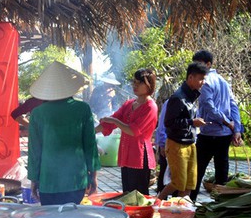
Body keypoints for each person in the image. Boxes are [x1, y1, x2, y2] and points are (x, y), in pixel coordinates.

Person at [27, 61, 100, 205]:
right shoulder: (82, 109)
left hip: (48, 181)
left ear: (47, 89)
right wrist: (94, 176)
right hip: (76, 181)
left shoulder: (37, 113)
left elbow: (34, 151)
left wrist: (34, 179)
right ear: (70, 87)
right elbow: (90, 146)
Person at [190, 50, 244, 200]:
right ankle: (220, 205)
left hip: (210, 134)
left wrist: (229, 124)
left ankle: (190, 202)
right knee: (222, 172)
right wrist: (236, 129)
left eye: (199, 64)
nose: (196, 68)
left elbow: (209, 107)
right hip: (224, 134)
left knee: (197, 170)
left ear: (208, 64)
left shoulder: (206, 81)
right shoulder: (223, 81)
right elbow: (234, 106)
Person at [96, 68, 158, 195]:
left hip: (140, 156)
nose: (135, 86)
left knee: (138, 196)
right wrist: (90, 132)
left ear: (149, 85)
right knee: (127, 193)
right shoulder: (129, 103)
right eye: (134, 82)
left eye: (139, 83)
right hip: (127, 154)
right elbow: (110, 121)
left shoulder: (150, 107)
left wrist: (115, 122)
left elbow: (134, 131)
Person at [158, 63, 208, 200]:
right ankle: (157, 202)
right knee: (178, 182)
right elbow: (169, 123)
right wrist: (192, 122)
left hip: (190, 143)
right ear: (190, 77)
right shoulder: (178, 97)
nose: (203, 82)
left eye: (204, 79)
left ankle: (180, 214)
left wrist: (193, 122)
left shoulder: (192, 96)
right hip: (176, 144)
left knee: (190, 183)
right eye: (200, 79)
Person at [154, 98, 170, 192]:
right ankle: (161, 199)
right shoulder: (170, 102)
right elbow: (162, 125)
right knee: (164, 173)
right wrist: (162, 144)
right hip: (167, 144)